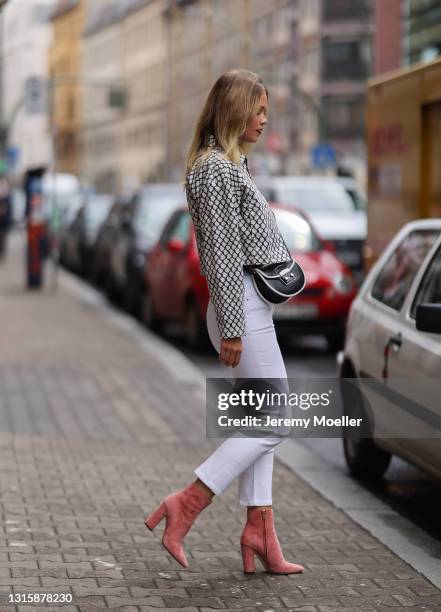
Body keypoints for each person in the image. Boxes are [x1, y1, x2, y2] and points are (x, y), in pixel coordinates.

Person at [144, 69, 304, 575]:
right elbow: (219, 252)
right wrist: (233, 324)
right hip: (242, 309)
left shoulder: (230, 165)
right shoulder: (214, 169)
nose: (264, 120)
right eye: (257, 110)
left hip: (249, 306)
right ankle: (187, 503)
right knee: (276, 418)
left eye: (266, 111)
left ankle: (261, 530)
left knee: (260, 419)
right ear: (235, 109)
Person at [0, 177, 12, 261]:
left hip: (4, 222)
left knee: (3, 238)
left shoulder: (7, 198)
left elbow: (9, 210)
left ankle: (2, 253)